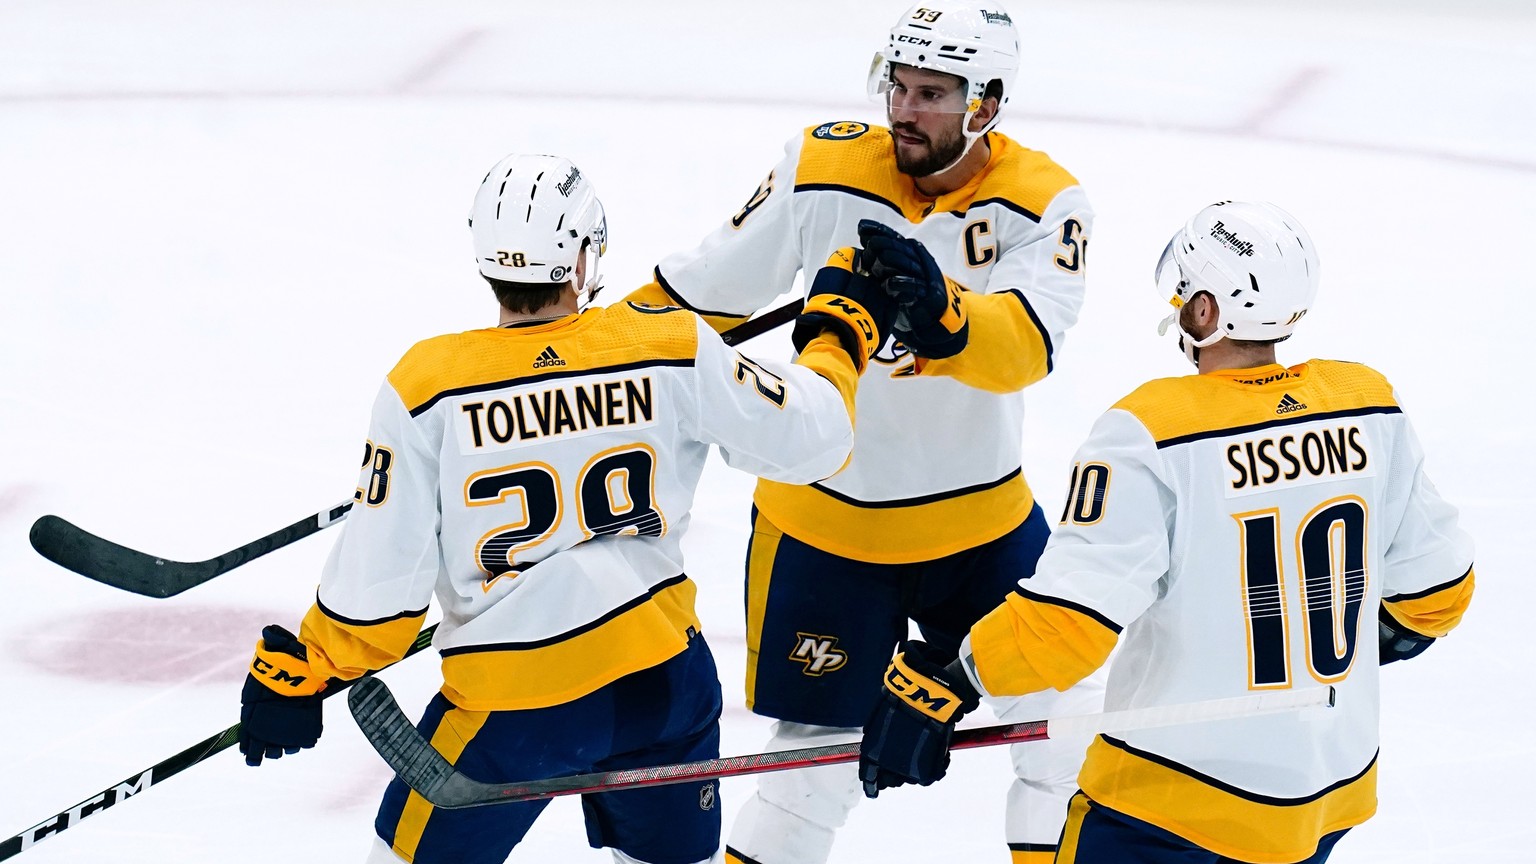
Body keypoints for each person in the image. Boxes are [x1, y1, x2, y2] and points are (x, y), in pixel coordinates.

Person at [234, 152, 900, 864]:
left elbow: (381, 583)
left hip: (517, 711)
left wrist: (311, 667)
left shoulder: (427, 385)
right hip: (666, 687)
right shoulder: (667, 342)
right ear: (582, 260)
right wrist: (838, 336)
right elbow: (813, 439)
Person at [621, 3, 1101, 862]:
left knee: (1063, 739)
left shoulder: (1045, 201)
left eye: (931, 95)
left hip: (981, 530)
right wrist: (584, 356)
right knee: (808, 776)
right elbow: (698, 291)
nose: (904, 111)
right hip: (823, 531)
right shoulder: (823, 166)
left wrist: (945, 311)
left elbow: (1028, 345)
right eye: (899, 87)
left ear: (984, 103)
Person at [859, 201, 1477, 863]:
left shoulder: (1154, 429)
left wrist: (950, 681)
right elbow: (1438, 589)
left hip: (1173, 806)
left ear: (1205, 311)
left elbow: (1070, 625)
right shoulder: (1366, 403)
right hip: (1327, 793)